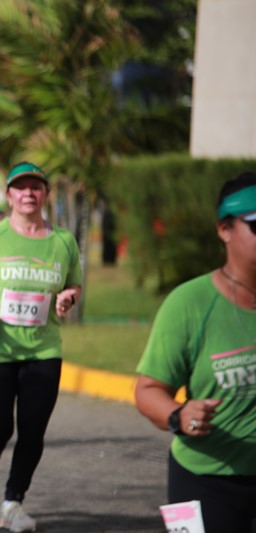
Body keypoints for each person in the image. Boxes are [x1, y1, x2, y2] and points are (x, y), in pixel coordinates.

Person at [0, 162, 82, 532]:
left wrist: (68, 300)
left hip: (43, 350)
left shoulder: (63, 241)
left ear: (45, 194)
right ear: (9, 196)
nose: (28, 193)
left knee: (32, 430)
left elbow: (73, 285)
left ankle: (13, 503)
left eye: (35, 187)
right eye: (20, 187)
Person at [134, 172, 256, 533]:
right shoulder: (188, 304)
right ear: (224, 229)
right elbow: (148, 390)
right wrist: (178, 415)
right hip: (204, 481)